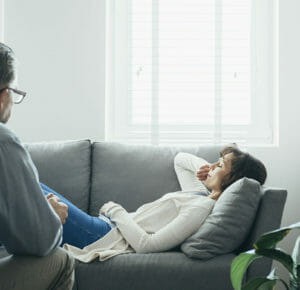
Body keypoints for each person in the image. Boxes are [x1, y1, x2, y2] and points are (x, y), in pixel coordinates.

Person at [36, 144, 267, 263]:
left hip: (102, 236)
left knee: (30, 188)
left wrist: (115, 210)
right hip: (105, 228)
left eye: (221, 165)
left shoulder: (201, 208)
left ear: (232, 179)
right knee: (30, 191)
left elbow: (147, 245)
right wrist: (207, 169)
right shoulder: (199, 195)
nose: (213, 165)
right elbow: (180, 160)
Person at [0, 42, 75, 289]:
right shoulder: (3, 142)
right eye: (14, 92)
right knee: (60, 259)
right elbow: (40, 242)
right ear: (3, 95)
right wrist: (49, 212)